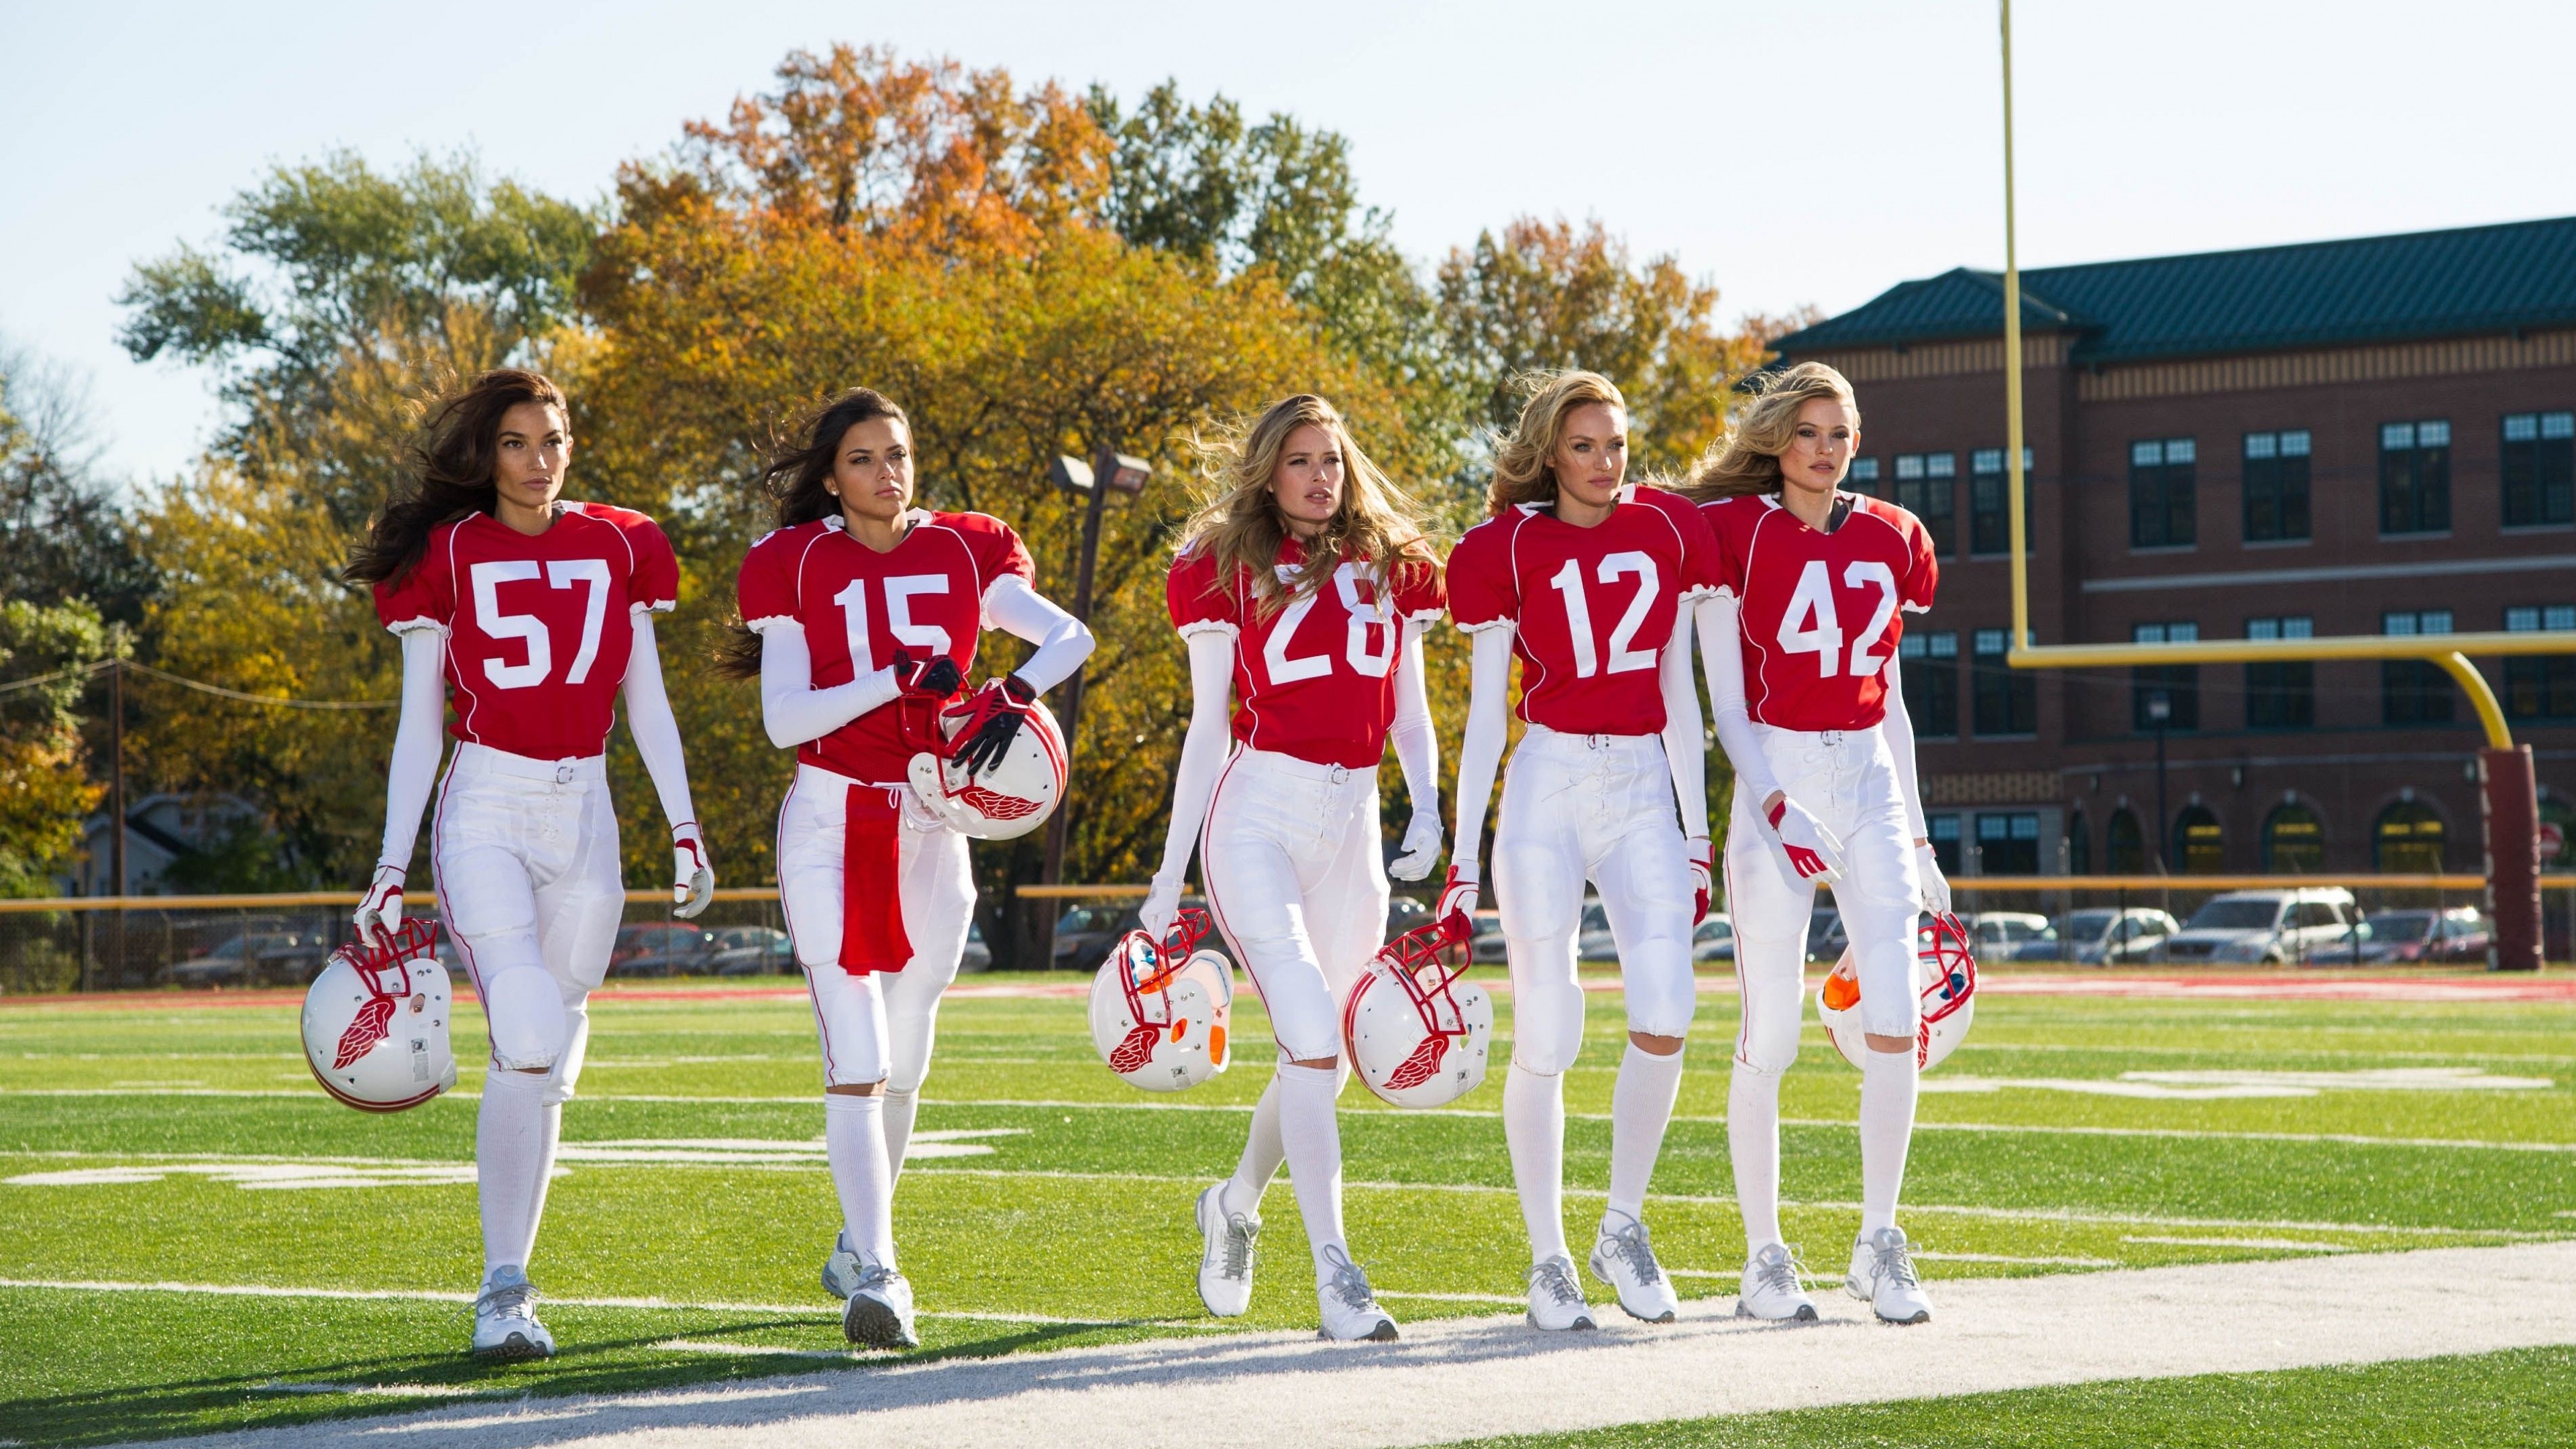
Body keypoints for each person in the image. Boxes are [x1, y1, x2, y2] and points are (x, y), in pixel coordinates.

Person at [347, 368, 715, 1360]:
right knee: (525, 1022)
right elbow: (419, 726)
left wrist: (683, 825)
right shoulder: (449, 550)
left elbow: (648, 702)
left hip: (587, 806)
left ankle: (511, 1271)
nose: (537, 459)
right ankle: (503, 1289)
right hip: (487, 802)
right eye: (516, 442)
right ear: (486, 452)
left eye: (551, 439)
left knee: (546, 1049)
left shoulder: (623, 540)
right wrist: (390, 864)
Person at [727, 387, 1092, 1350]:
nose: (887, 473)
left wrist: (1009, 693)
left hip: (934, 825)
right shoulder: (794, 560)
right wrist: (889, 677)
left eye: (898, 454)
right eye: (863, 458)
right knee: (861, 1056)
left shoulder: (966, 548)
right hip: (833, 819)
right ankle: (884, 1275)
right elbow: (784, 721)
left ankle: (859, 1239)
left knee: (910, 1050)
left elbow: (1071, 637)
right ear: (830, 475)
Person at [1139, 394, 1444, 1342]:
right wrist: (1166, 871)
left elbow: (1408, 708)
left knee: (1329, 1053)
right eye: (1303, 460)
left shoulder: (1392, 567)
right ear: (1269, 470)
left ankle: (1233, 1202)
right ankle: (1336, 1275)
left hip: (1352, 817)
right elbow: (1206, 728)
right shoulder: (1220, 567)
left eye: (1334, 460)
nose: (1323, 477)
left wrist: (1427, 805)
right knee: (1309, 1037)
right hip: (1258, 813)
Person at [1439, 370, 1727, 1330]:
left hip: (1642, 779)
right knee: (1551, 1027)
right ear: (1548, 456)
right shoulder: (1505, 544)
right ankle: (1549, 1257)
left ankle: (1622, 1223)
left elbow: (1681, 693)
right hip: (1549, 782)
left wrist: (1697, 831)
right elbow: (1485, 720)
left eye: (1615, 444)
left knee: (1669, 1006)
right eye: (1584, 446)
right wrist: (1463, 855)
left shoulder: (1670, 529)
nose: (1605, 463)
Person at [1684, 360, 1945, 1326]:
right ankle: (1764, 1252)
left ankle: (1881, 1238)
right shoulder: (1732, 532)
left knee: (1898, 1011)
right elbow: (1726, 703)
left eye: (1839, 432)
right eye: (1807, 432)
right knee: (1776, 1031)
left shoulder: (1893, 536)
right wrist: (1777, 801)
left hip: (1868, 774)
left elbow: (1897, 702)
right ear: (1774, 440)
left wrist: (1918, 834)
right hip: (1778, 776)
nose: (1825, 449)